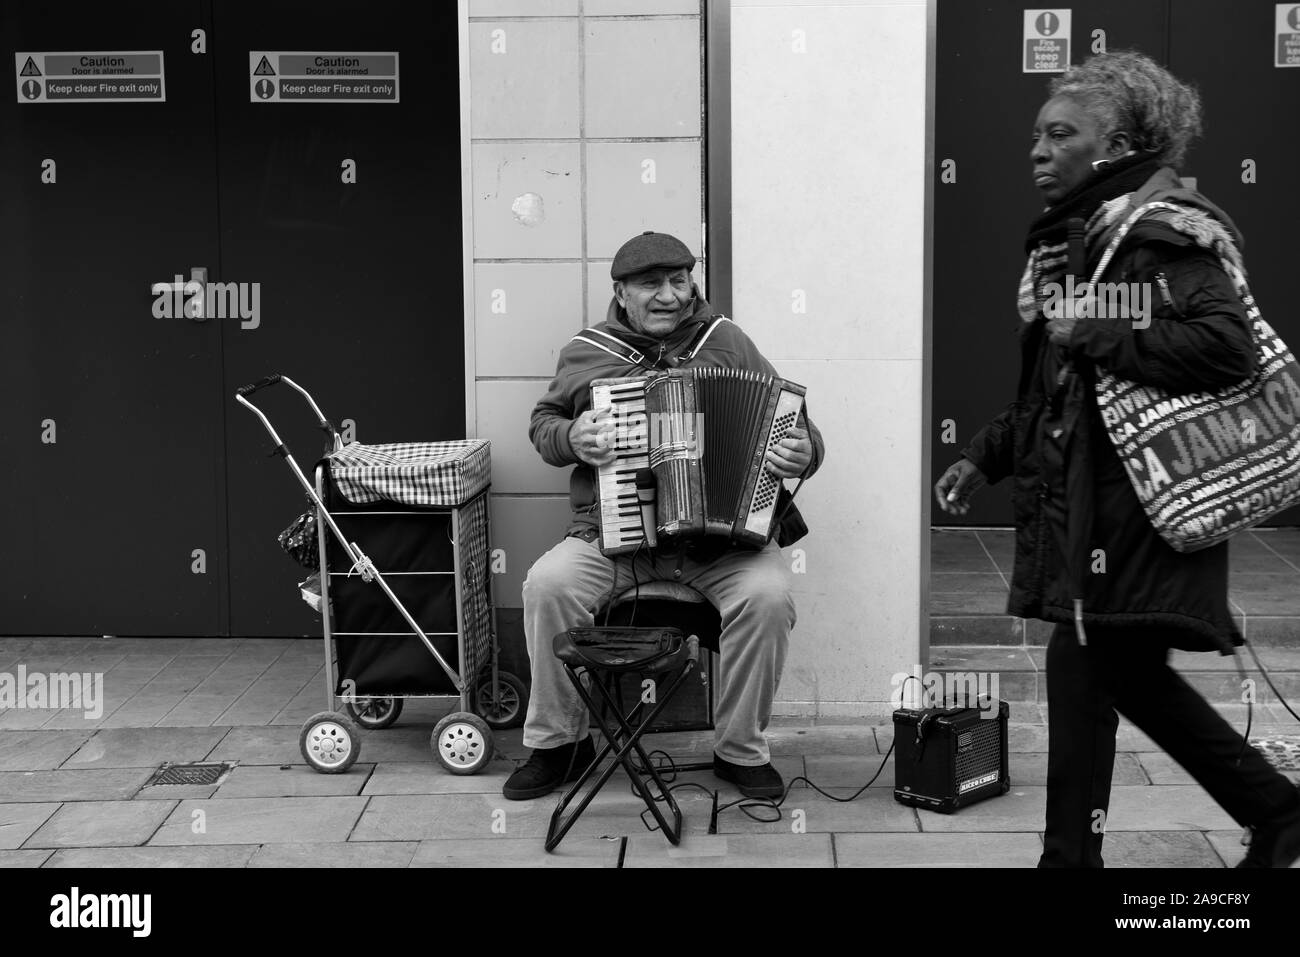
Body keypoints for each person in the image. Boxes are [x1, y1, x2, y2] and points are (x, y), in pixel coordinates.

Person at [934, 50, 1300, 868]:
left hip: (1138, 511)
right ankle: (1251, 818)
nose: (1037, 149)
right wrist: (987, 455)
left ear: (1119, 145)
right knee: (1099, 677)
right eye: (1035, 134)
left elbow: (1224, 346)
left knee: (1100, 672)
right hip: (1097, 506)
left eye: (1060, 134)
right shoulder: (1083, 243)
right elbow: (1059, 389)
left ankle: (1105, 850)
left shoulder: (1161, 234)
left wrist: (1091, 327)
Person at [503, 230, 825, 801]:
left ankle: (739, 751)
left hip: (722, 547)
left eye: (679, 281)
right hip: (613, 539)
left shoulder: (727, 342)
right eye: (651, 283)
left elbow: (796, 424)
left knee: (770, 597)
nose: (669, 295)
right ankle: (559, 745)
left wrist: (806, 450)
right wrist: (573, 436)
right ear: (621, 292)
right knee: (547, 584)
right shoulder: (589, 350)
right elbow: (543, 425)